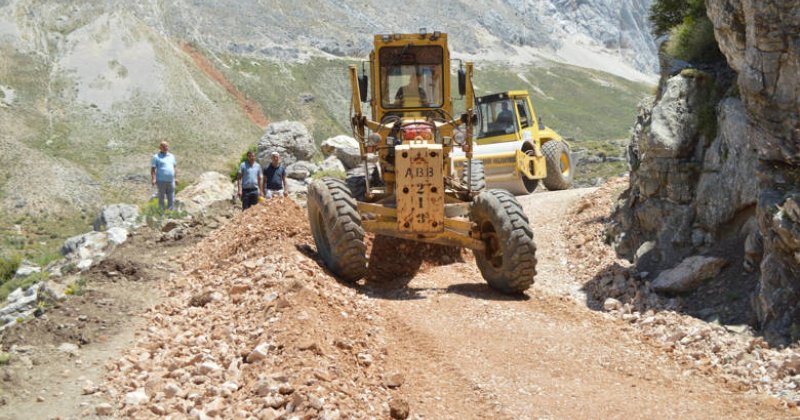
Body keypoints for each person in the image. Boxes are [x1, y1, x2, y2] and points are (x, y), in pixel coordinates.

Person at [150, 140, 177, 211]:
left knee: (171, 197)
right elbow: (153, 169)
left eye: (167, 146)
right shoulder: (156, 157)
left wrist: (176, 178)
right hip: (161, 180)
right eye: (164, 146)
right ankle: (161, 213)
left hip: (171, 181)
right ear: (160, 147)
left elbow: (174, 167)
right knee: (161, 197)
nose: (166, 147)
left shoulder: (172, 156)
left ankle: (170, 213)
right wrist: (153, 179)